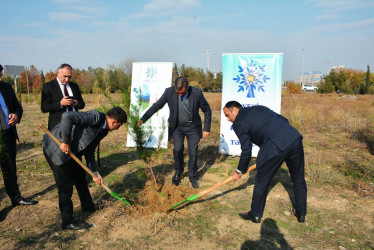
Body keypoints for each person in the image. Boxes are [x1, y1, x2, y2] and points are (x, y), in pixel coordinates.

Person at [42, 107, 127, 230]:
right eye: (119, 126)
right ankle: (67, 221)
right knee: (65, 186)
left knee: (80, 177)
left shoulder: (103, 130)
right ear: (114, 121)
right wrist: (65, 141)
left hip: (73, 151)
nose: (118, 129)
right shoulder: (95, 117)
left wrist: (94, 172)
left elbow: (89, 150)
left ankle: (87, 206)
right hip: (56, 146)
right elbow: (67, 117)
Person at [223, 101, 307, 223]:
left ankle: (255, 215)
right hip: (294, 138)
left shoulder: (239, 123)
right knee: (298, 179)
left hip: (275, 145)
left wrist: (239, 170)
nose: (228, 120)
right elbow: (284, 120)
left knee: (261, 181)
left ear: (235, 110)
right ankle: (301, 213)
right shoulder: (259, 108)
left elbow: (246, 151)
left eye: (227, 115)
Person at [137, 77, 211, 188]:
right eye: (178, 93)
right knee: (177, 150)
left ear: (187, 87)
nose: (180, 95)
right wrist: (143, 119)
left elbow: (207, 110)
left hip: (193, 128)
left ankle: (192, 176)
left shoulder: (197, 93)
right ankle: (178, 172)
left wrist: (206, 129)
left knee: (193, 152)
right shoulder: (169, 92)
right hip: (177, 127)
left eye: (182, 93)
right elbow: (157, 106)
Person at [0, 64, 38, 206]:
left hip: (7, 133)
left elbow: (18, 107)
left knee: (10, 169)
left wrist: (16, 115)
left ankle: (16, 197)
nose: (0, 78)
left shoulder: (6, 87)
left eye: (0, 75)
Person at [41, 63, 85, 130]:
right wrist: (60, 104)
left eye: (69, 77)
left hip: (75, 124)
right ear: (58, 72)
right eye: (65, 76)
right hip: (58, 127)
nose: (67, 79)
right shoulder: (48, 86)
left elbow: (82, 104)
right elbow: (44, 108)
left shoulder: (74, 86)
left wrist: (76, 103)